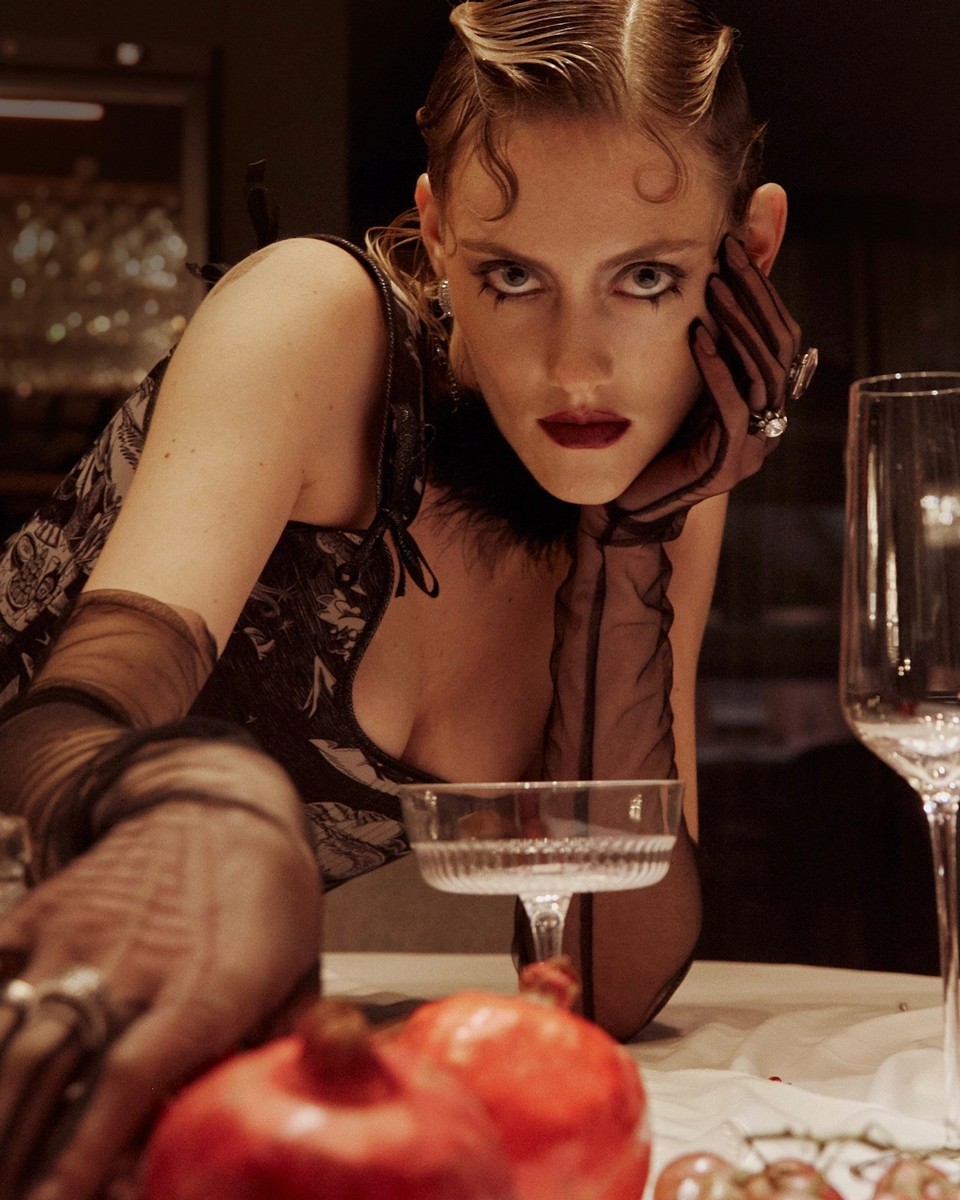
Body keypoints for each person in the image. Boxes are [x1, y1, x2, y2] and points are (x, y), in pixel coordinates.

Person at [0, 0, 816, 1196]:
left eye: (646, 277)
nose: (577, 364)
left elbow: (604, 984)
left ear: (750, 250)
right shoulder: (318, 324)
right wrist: (197, 795)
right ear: (436, 234)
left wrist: (631, 550)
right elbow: (70, 708)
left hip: (104, 1048)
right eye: (513, 275)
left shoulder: (672, 473)